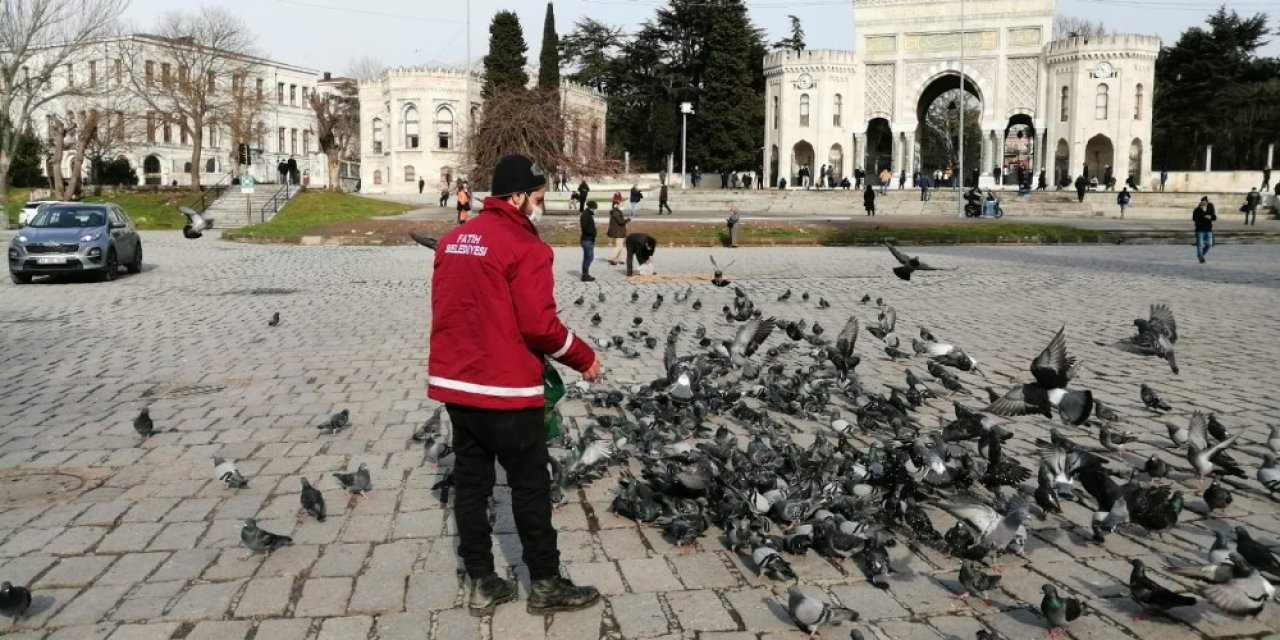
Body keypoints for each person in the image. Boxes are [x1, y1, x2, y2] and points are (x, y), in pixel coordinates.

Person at [428, 153, 602, 618]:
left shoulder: (453, 240)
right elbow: (540, 327)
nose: (541, 207)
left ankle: (483, 582)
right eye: (540, 198)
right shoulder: (525, 247)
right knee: (528, 487)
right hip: (506, 390)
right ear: (520, 197)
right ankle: (544, 583)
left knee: (470, 485)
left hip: (456, 387)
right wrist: (583, 357)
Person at [1193, 196, 1216, 263]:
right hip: (1200, 229)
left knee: (1209, 244)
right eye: (1202, 203)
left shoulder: (1209, 209)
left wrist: (1210, 217)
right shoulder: (1197, 210)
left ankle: (1201, 255)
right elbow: (1194, 218)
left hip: (1208, 229)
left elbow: (1214, 217)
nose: (1204, 205)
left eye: (1205, 203)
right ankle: (1201, 258)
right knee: (1200, 244)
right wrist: (1203, 215)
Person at [607, 199, 629, 265]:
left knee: (620, 245)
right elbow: (620, 222)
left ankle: (618, 259)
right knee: (618, 246)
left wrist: (624, 219)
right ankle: (613, 258)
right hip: (618, 231)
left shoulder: (617, 212)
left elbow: (620, 220)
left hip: (619, 230)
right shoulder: (616, 212)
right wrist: (627, 220)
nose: (622, 206)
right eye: (621, 205)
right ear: (616, 205)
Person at [580, 200, 598, 281]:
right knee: (589, 257)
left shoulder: (588, 214)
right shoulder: (585, 215)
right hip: (587, 240)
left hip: (589, 239)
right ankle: (585, 275)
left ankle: (585, 274)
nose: (596, 210)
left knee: (588, 257)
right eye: (595, 209)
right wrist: (592, 233)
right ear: (592, 208)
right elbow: (585, 228)